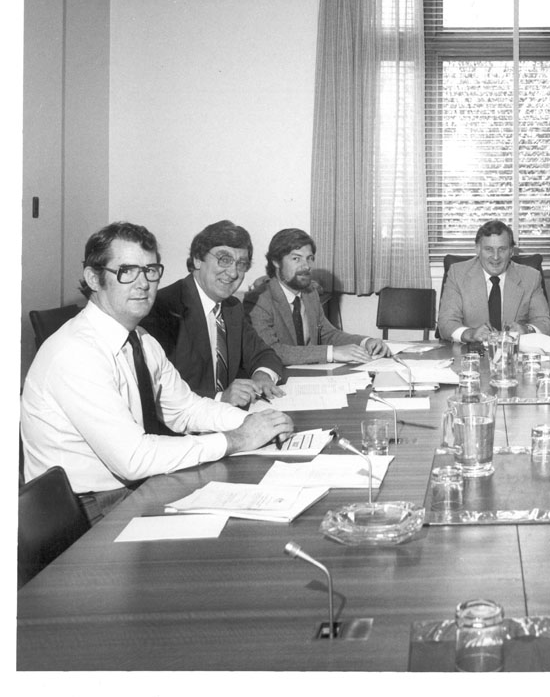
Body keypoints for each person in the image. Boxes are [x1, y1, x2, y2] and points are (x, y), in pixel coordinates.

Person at [20, 222, 294, 525]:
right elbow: (134, 459)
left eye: (151, 270)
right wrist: (237, 439)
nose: (143, 284)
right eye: (127, 271)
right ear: (94, 278)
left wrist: (256, 423)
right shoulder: (75, 352)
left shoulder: (140, 340)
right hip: (86, 513)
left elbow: (186, 409)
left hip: (128, 490)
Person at [142, 220, 285, 407]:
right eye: (224, 260)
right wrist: (219, 399)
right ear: (197, 260)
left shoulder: (232, 307)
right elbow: (157, 389)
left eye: (241, 264)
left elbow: (263, 354)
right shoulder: (163, 307)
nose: (233, 273)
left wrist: (262, 376)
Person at [244, 228, 389, 364]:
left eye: (310, 258)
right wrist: (331, 353)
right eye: (296, 259)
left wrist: (366, 342)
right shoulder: (259, 300)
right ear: (276, 262)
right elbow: (270, 350)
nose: (306, 266)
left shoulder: (310, 292)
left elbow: (327, 334)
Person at [437, 220, 550, 343]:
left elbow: (545, 323)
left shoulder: (530, 277)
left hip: (514, 354)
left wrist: (527, 330)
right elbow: (446, 323)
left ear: (511, 251)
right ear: (477, 249)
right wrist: (470, 334)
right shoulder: (457, 274)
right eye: (489, 249)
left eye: (502, 249)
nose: (496, 257)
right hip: (470, 353)